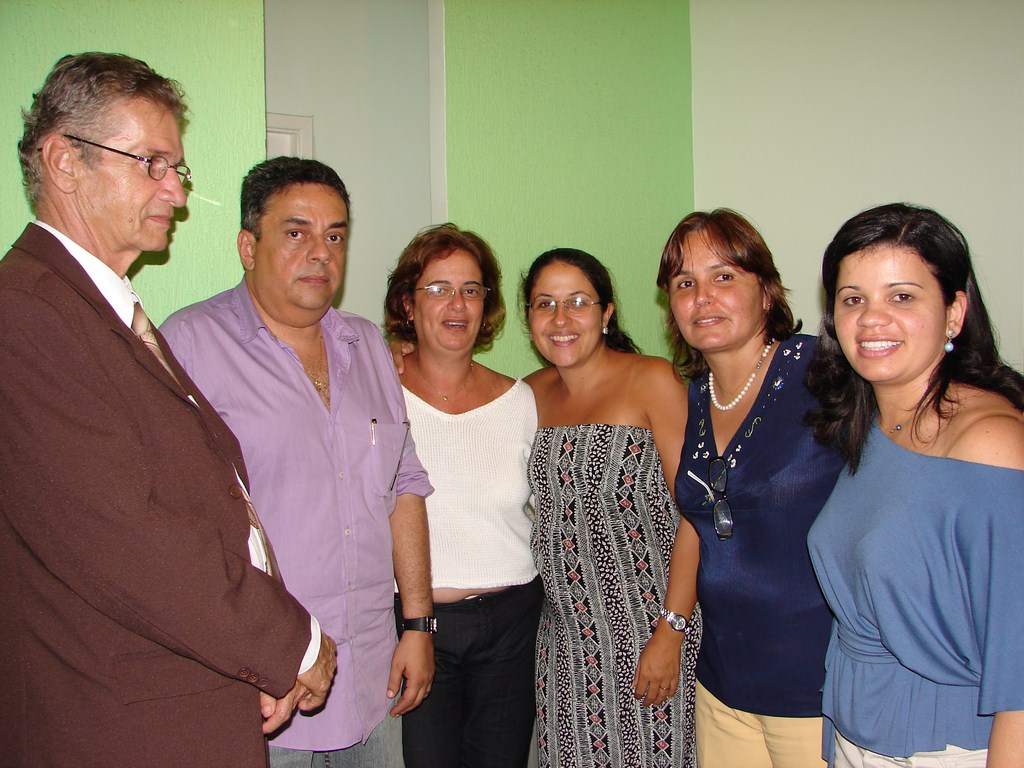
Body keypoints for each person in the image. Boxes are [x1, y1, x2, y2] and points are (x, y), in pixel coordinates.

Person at [0, 53, 336, 768]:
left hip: (182, 695)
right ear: (64, 161)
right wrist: (290, 644)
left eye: (176, 169)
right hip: (117, 723)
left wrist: (256, 660)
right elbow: (123, 536)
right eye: (151, 163)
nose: (177, 194)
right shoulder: (26, 313)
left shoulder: (96, 308)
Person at [161, 157, 434, 768]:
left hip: (372, 682)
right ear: (247, 246)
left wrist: (419, 625)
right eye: (296, 232)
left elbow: (403, 484)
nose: (320, 253)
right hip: (263, 694)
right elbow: (177, 531)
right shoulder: (191, 344)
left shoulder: (367, 345)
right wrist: (257, 650)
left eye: (335, 236)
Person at [806, 203, 1024, 768]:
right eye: (853, 299)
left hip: (945, 745)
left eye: (901, 296)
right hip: (859, 731)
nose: (872, 320)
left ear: (954, 313)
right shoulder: (874, 426)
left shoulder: (991, 444)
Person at [656, 209, 845, 768]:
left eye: (723, 276)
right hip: (723, 686)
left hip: (816, 690)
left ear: (766, 291)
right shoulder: (694, 395)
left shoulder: (825, 370)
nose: (702, 297)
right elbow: (698, 525)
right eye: (684, 283)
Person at [524, 247, 701, 768]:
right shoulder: (527, 395)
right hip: (566, 645)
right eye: (545, 304)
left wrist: (672, 629)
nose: (561, 318)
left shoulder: (652, 379)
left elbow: (695, 513)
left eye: (578, 302)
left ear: (606, 313)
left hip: (650, 630)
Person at [383, 223, 543, 768]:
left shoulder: (521, 401)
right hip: (416, 624)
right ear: (408, 303)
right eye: (439, 288)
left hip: (513, 624)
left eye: (471, 289)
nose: (457, 304)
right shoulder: (378, 389)